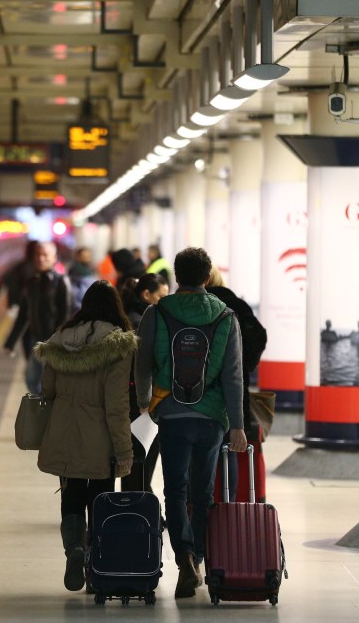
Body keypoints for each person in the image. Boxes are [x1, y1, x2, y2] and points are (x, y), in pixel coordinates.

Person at [134, 247, 247, 599]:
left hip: (171, 413)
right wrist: (238, 425)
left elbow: (143, 363)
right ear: (208, 275)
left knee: (175, 490)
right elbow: (233, 377)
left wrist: (143, 404)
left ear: (176, 276)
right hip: (212, 417)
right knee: (203, 492)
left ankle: (183, 557)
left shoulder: (158, 312)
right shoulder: (226, 316)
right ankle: (197, 556)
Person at [33, 280, 137, 592]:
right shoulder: (118, 344)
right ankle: (96, 565)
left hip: (64, 430)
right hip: (100, 435)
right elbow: (117, 405)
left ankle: (74, 550)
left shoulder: (60, 339)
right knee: (101, 498)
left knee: (72, 496)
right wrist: (124, 450)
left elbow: (47, 391)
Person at [205, 266, 268, 502]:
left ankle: (199, 512)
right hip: (233, 390)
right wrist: (245, 364)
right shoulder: (236, 305)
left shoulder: (192, 307)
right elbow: (259, 336)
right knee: (229, 449)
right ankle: (227, 508)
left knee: (198, 455)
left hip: (195, 393)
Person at [118, 273, 169, 493]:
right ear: (146, 294)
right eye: (161, 296)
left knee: (138, 458)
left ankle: (139, 506)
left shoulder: (132, 316)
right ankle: (140, 508)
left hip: (134, 396)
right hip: (141, 400)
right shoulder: (143, 321)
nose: (165, 301)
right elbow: (144, 364)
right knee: (143, 457)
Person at [4, 241, 71, 394]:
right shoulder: (31, 283)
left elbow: (65, 316)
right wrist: (11, 341)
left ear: (54, 258)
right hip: (36, 340)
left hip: (53, 342)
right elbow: (23, 315)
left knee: (44, 382)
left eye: (45, 255)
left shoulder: (61, 282)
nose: (41, 259)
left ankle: (46, 412)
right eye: (38, 255)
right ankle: (44, 410)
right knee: (32, 380)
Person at [67, 247, 98, 313]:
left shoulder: (92, 269)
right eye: (84, 256)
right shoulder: (75, 270)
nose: (87, 258)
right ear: (78, 257)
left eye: (88, 256)